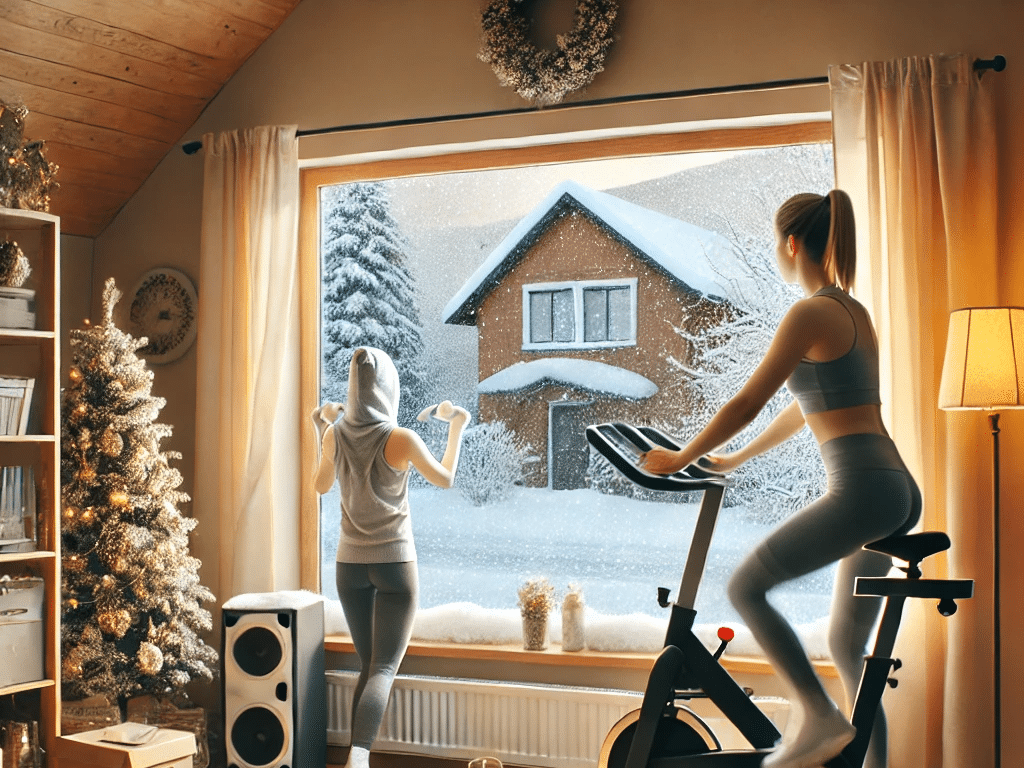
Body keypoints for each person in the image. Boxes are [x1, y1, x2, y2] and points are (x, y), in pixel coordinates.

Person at [639, 190, 919, 768]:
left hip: (865, 490)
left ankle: (818, 715)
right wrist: (736, 458)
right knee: (847, 645)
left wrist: (682, 455)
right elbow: (804, 404)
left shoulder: (809, 312)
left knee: (746, 588)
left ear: (791, 244)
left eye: (775, 243)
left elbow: (748, 401)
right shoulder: (850, 311)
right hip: (894, 487)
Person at [312, 346, 470, 768]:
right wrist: (457, 426)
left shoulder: (335, 435)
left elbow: (320, 485)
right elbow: (445, 478)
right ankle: (360, 756)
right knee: (383, 668)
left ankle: (354, 757)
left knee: (368, 665)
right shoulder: (399, 438)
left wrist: (320, 428)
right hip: (395, 564)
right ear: (389, 389)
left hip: (349, 566)